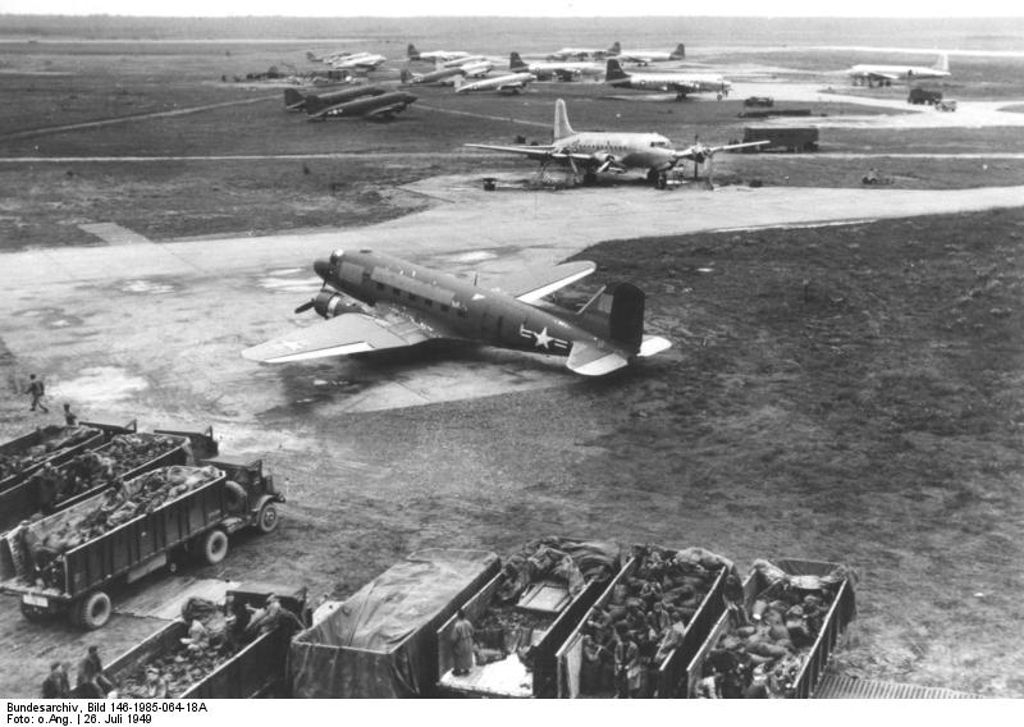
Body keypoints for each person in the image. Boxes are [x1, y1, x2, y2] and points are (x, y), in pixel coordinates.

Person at [450, 609, 475, 676]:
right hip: (469, 640)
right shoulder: (468, 622)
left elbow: (454, 638)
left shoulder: (457, 625)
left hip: (461, 642)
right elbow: (472, 632)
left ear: (458, 616)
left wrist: (452, 645)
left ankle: (457, 670)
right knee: (467, 655)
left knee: (458, 656)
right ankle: (466, 669)